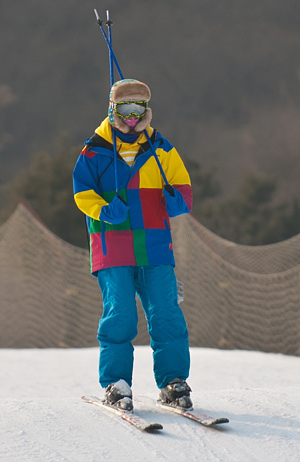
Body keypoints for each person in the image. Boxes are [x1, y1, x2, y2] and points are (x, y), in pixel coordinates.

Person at [72, 79, 194, 411]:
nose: (131, 118)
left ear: (146, 111)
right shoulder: (94, 151)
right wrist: (103, 209)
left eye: (137, 110)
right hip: (113, 245)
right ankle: (116, 382)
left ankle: (172, 381)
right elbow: (81, 193)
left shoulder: (161, 149)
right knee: (120, 315)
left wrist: (175, 201)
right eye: (124, 110)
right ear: (112, 111)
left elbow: (183, 191)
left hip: (154, 243)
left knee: (166, 313)